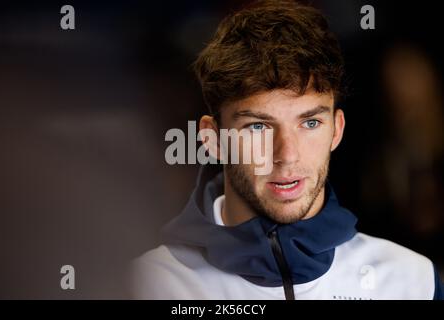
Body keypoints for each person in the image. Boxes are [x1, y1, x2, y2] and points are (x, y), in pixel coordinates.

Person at [131, 0, 443, 299]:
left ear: (337, 130)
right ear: (213, 140)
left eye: (309, 123)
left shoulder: (413, 281)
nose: (287, 154)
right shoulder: (146, 285)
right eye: (258, 126)